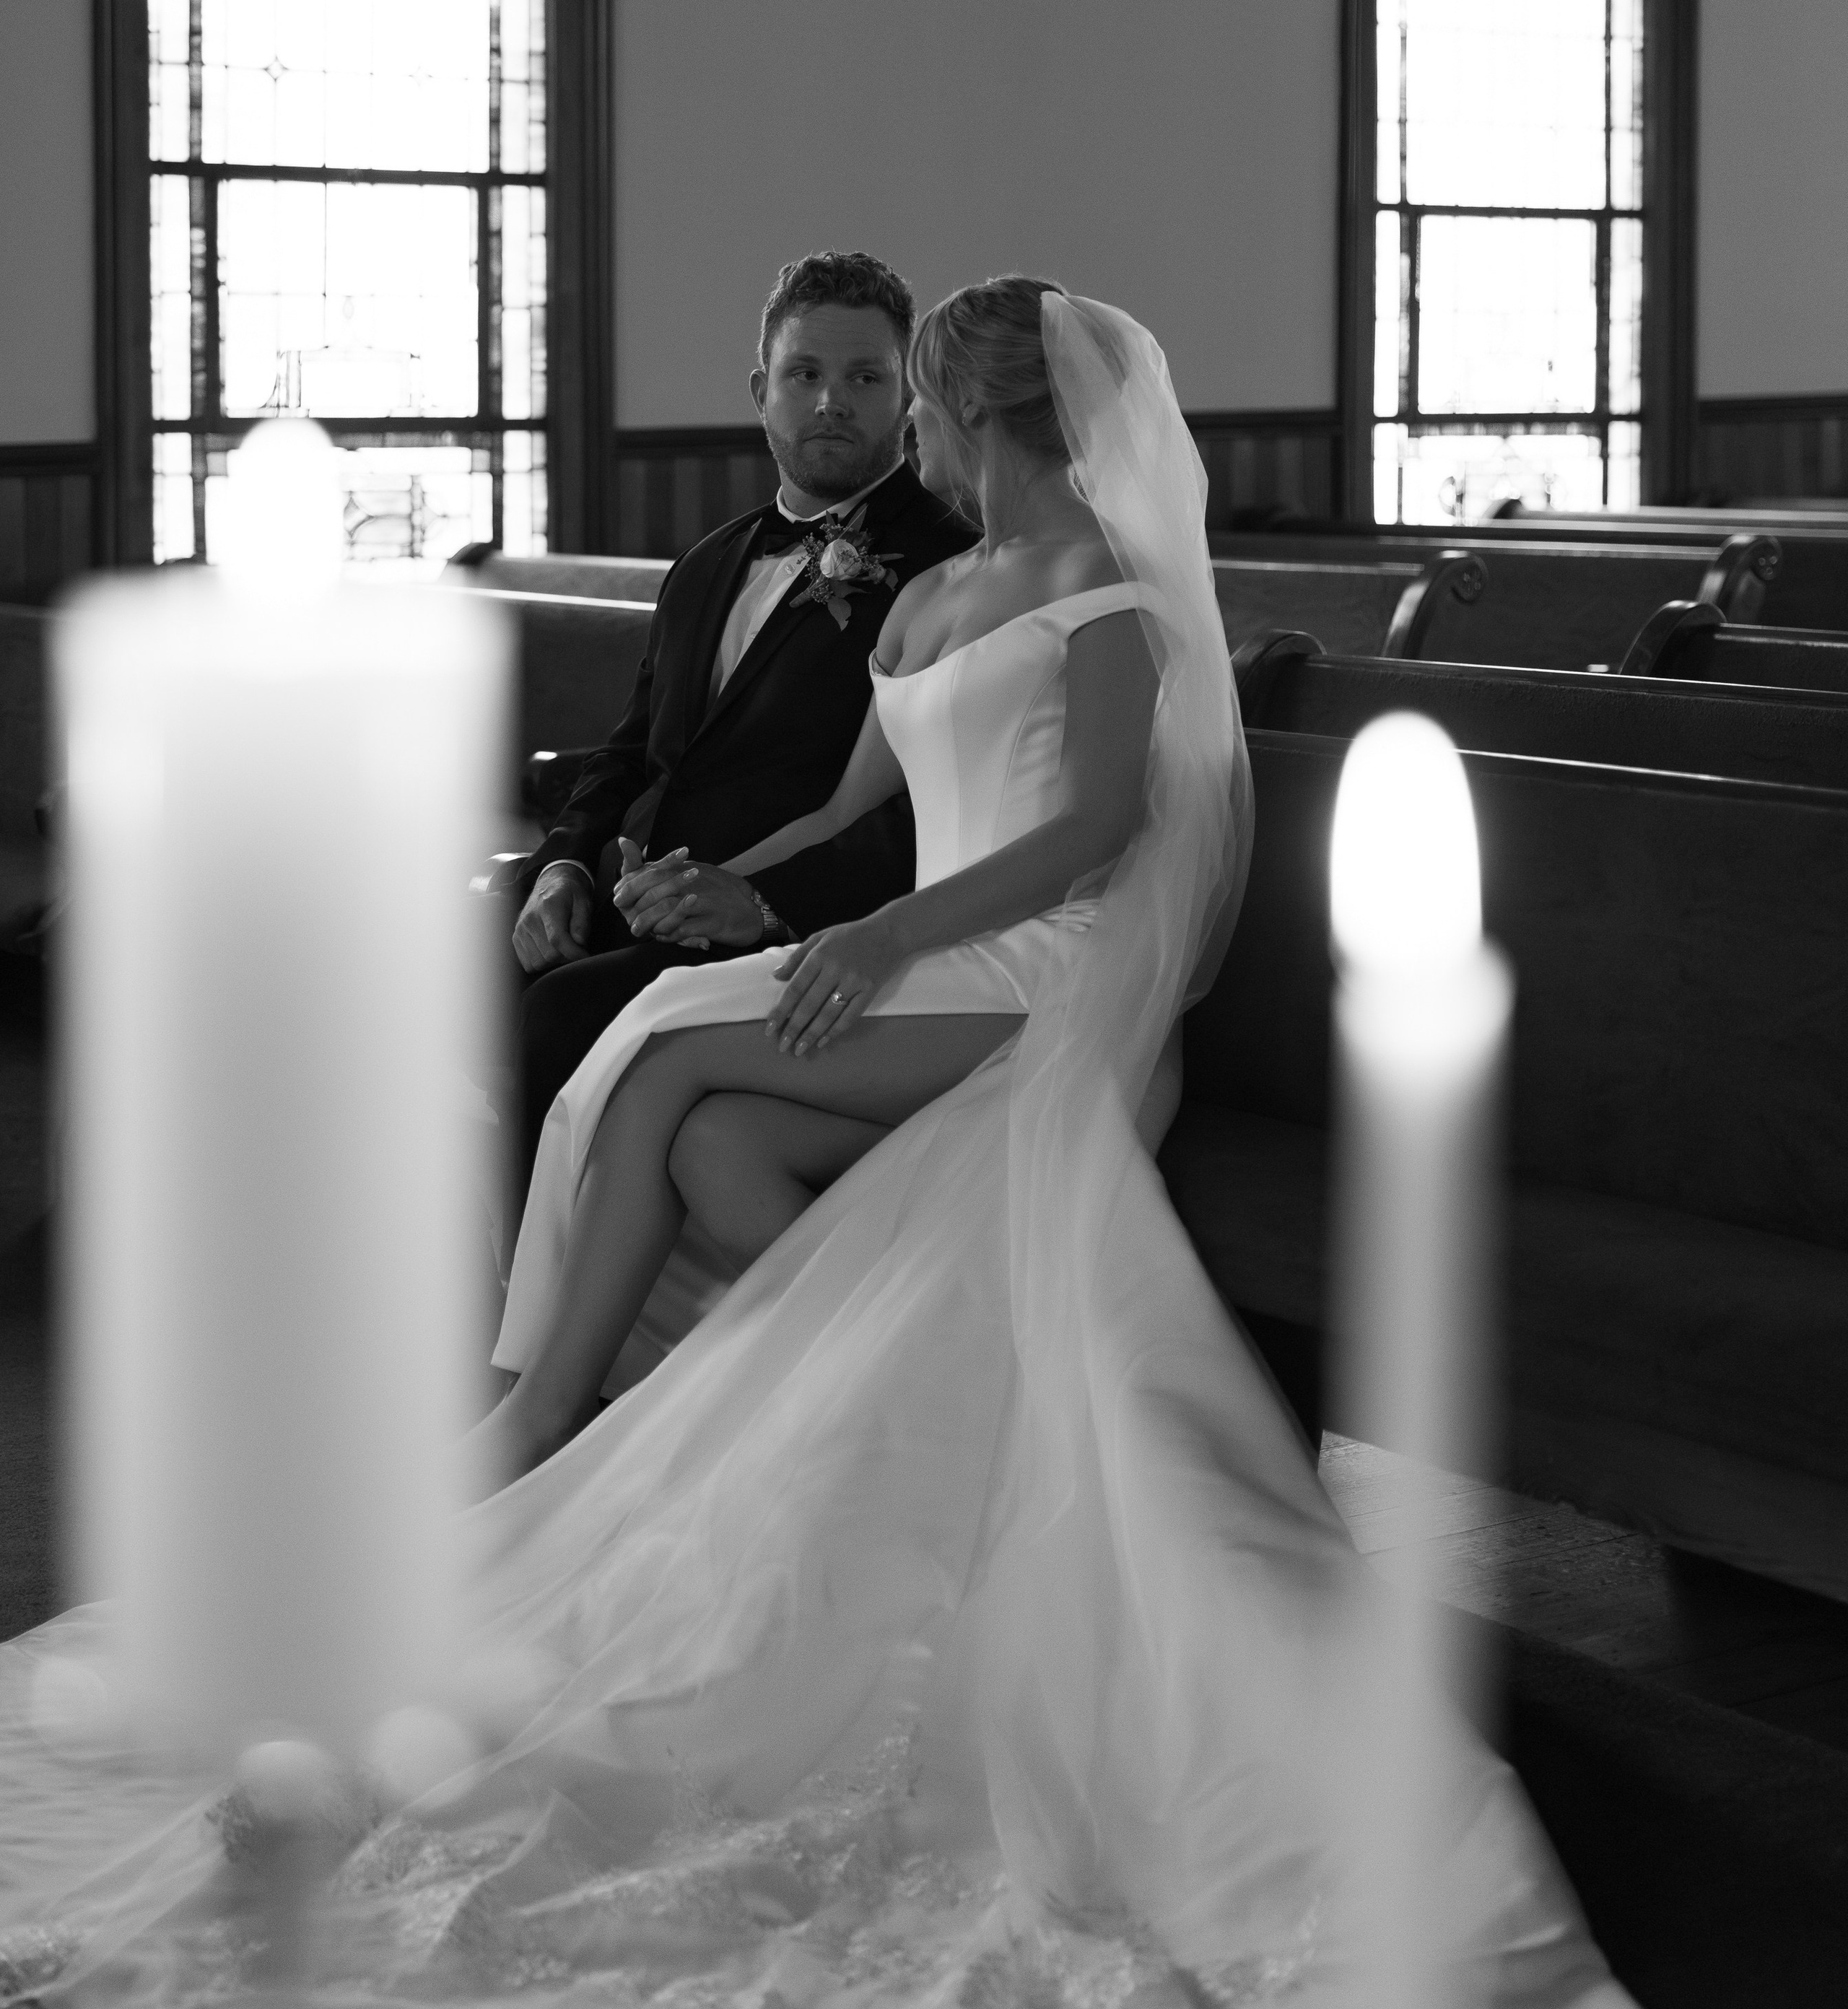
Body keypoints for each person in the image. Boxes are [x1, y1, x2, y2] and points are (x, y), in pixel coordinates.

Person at [0, 282, 1629, 2007]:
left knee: (651, 1062)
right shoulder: (928, 589)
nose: (902, 434)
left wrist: (874, 937)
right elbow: (851, 805)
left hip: (1044, 968)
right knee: (710, 1132)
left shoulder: (1108, 590)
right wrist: (717, 887)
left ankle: (534, 1403)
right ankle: (830, 1405)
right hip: (931, 943)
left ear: (975, 415)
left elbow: (1091, 831)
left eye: (911, 402)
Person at [502, 248, 972, 1218]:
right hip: (631, 895)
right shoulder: (707, 562)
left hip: (789, 934)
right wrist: (562, 867)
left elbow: (947, 805)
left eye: (865, 378)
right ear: (762, 393)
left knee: (556, 1012)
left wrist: (762, 903)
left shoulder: (954, 566)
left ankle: (535, 1302)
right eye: (805, 374)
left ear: (907, 400)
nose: (831, 402)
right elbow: (630, 751)